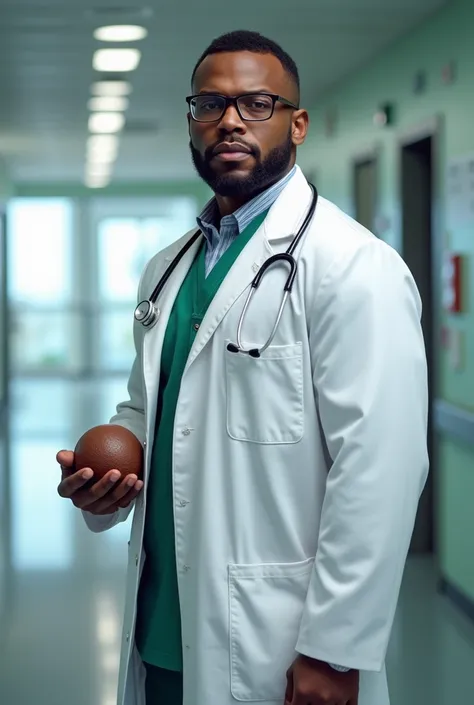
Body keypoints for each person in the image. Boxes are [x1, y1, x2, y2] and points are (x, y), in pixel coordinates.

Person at [57, 29, 429, 705]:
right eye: (210, 103)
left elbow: (381, 465)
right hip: (162, 628)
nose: (229, 119)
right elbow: (148, 409)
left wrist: (336, 646)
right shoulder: (168, 266)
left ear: (299, 122)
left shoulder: (353, 267)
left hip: (278, 642)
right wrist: (109, 478)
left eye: (258, 103)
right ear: (192, 121)